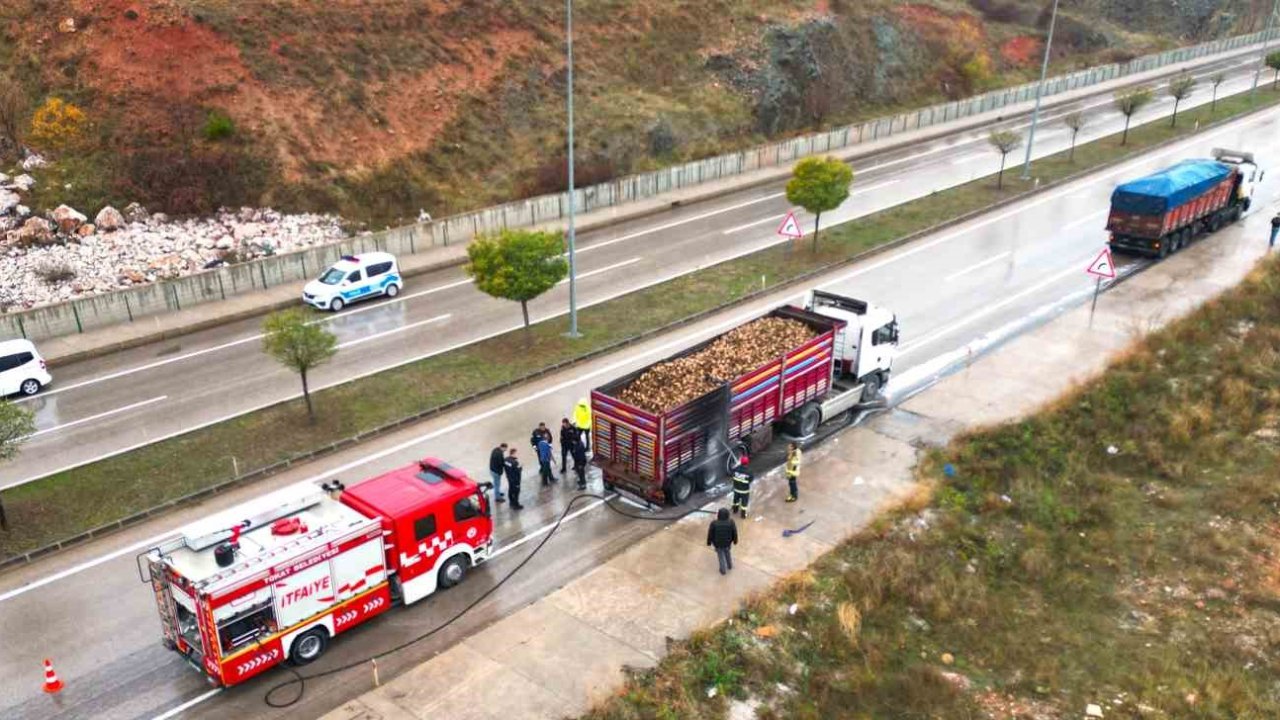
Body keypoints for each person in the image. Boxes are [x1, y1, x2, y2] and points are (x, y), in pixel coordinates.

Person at [707, 508, 738, 575]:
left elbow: (710, 533)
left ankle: (723, 570)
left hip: (718, 544)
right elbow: (734, 532)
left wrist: (709, 542)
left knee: (721, 556)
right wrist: (735, 541)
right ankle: (729, 566)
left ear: (718, 515)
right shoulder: (731, 522)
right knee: (728, 553)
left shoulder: (714, 523)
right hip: (727, 542)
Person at [732, 455, 753, 519]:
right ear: (747, 463)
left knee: (735, 500)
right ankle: (743, 515)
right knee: (744, 503)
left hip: (736, 489)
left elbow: (731, 473)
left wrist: (736, 466)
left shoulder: (736, 469)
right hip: (744, 491)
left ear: (740, 462)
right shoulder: (749, 472)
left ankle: (735, 510)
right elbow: (750, 480)